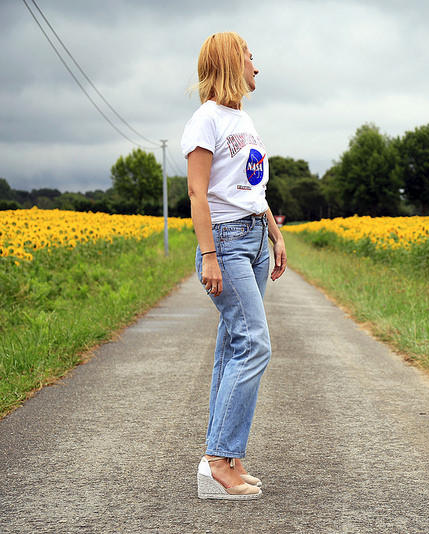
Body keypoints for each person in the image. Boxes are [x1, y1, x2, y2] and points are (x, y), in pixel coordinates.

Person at [181, 32, 287, 500]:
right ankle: (217, 461)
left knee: (233, 346)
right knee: (255, 345)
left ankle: (227, 458)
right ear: (230, 60)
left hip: (254, 235)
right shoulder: (204, 121)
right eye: (249, 57)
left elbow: (249, 187)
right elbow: (198, 194)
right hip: (224, 241)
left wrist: (274, 230)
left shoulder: (241, 117)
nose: (256, 67)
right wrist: (208, 256)